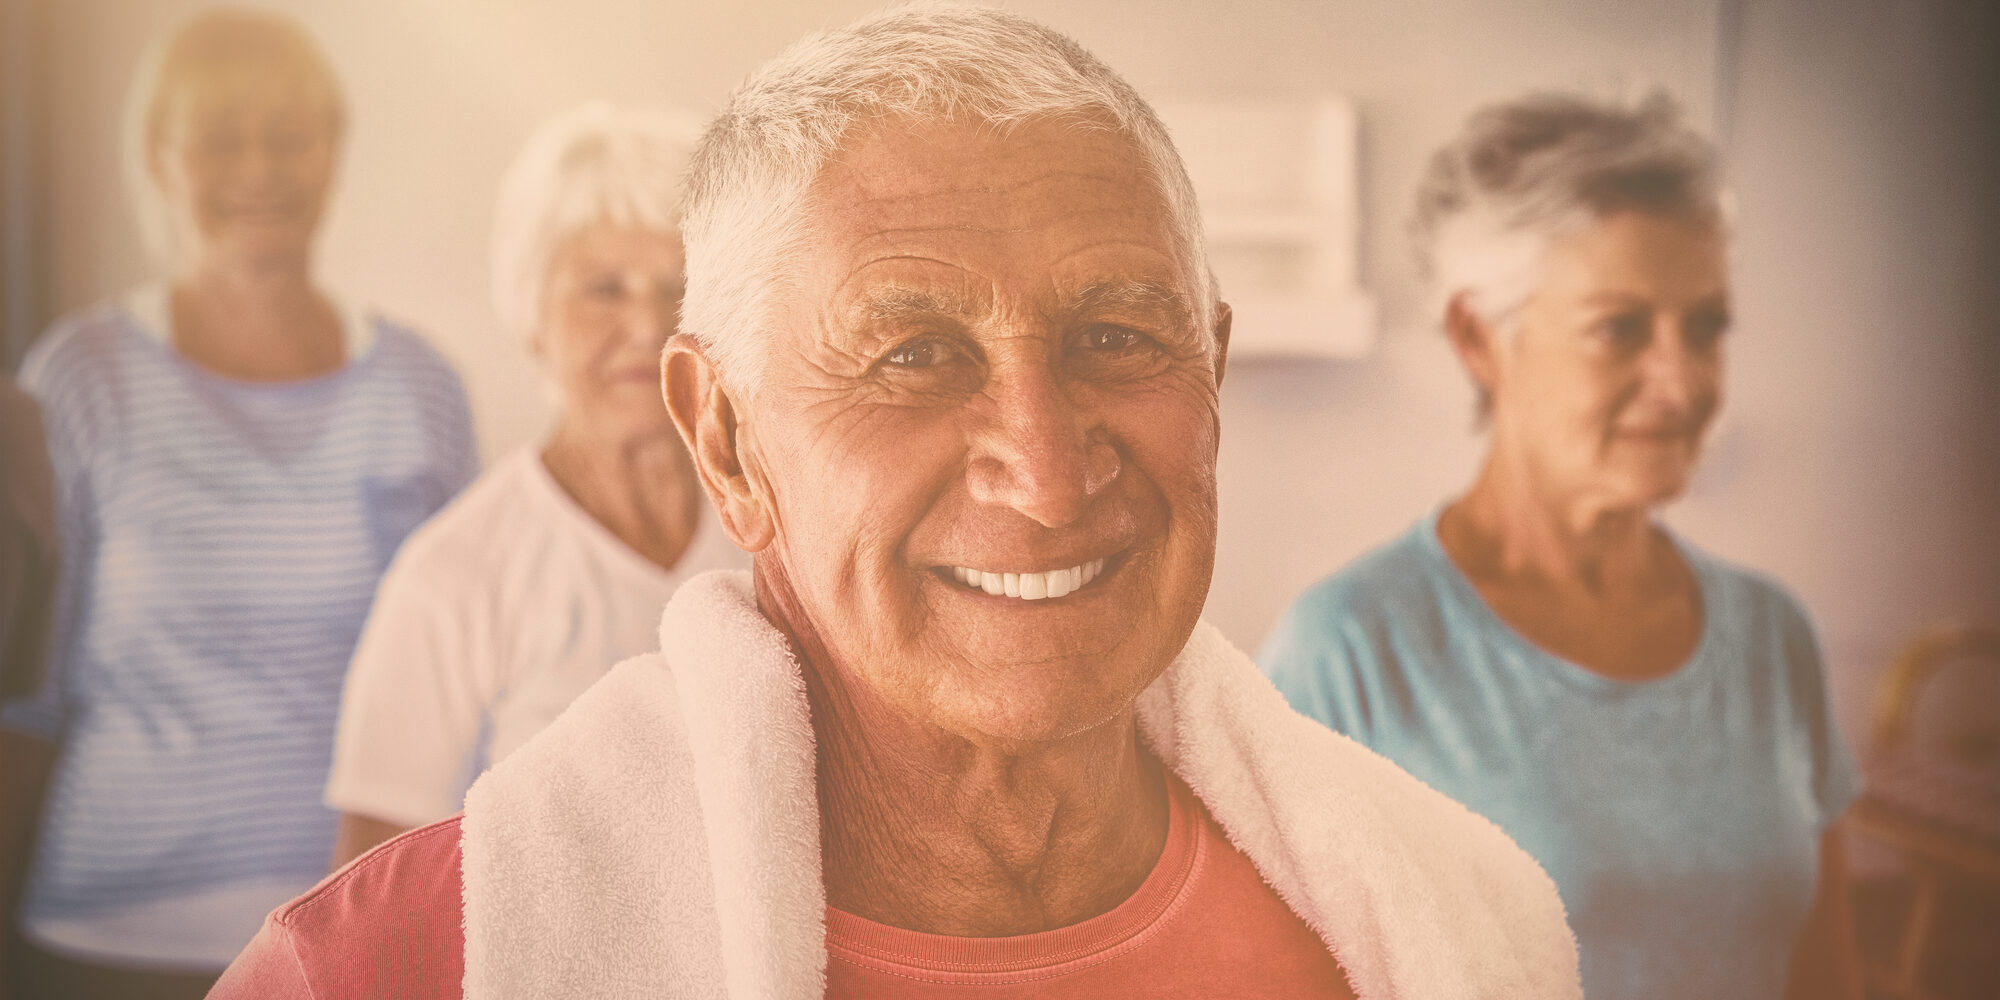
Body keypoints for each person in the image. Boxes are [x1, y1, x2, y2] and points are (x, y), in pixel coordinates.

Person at [210, 8, 1580, 997]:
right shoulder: (386, 971)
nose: (1044, 469)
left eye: (1116, 335)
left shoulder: (1457, 928)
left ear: (1209, 374)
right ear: (725, 439)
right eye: (914, 355)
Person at [1259, 91, 1861, 1000]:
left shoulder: (1773, 636)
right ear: (1479, 339)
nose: (1683, 382)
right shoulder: (1351, 652)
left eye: (1706, 326)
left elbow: (1828, 974)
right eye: (1620, 329)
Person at [0, 9, 476, 997]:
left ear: (333, 153)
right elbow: (24, 696)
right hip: (99, 940)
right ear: (158, 159)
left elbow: (458, 692)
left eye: (290, 135)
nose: (259, 168)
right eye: (219, 138)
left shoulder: (420, 388)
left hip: (344, 942)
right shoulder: (77, 379)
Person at [323, 104, 746, 867]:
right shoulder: (453, 572)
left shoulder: (779, 523)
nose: (647, 325)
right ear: (532, 315)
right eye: (604, 288)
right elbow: (368, 882)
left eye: (679, 288)